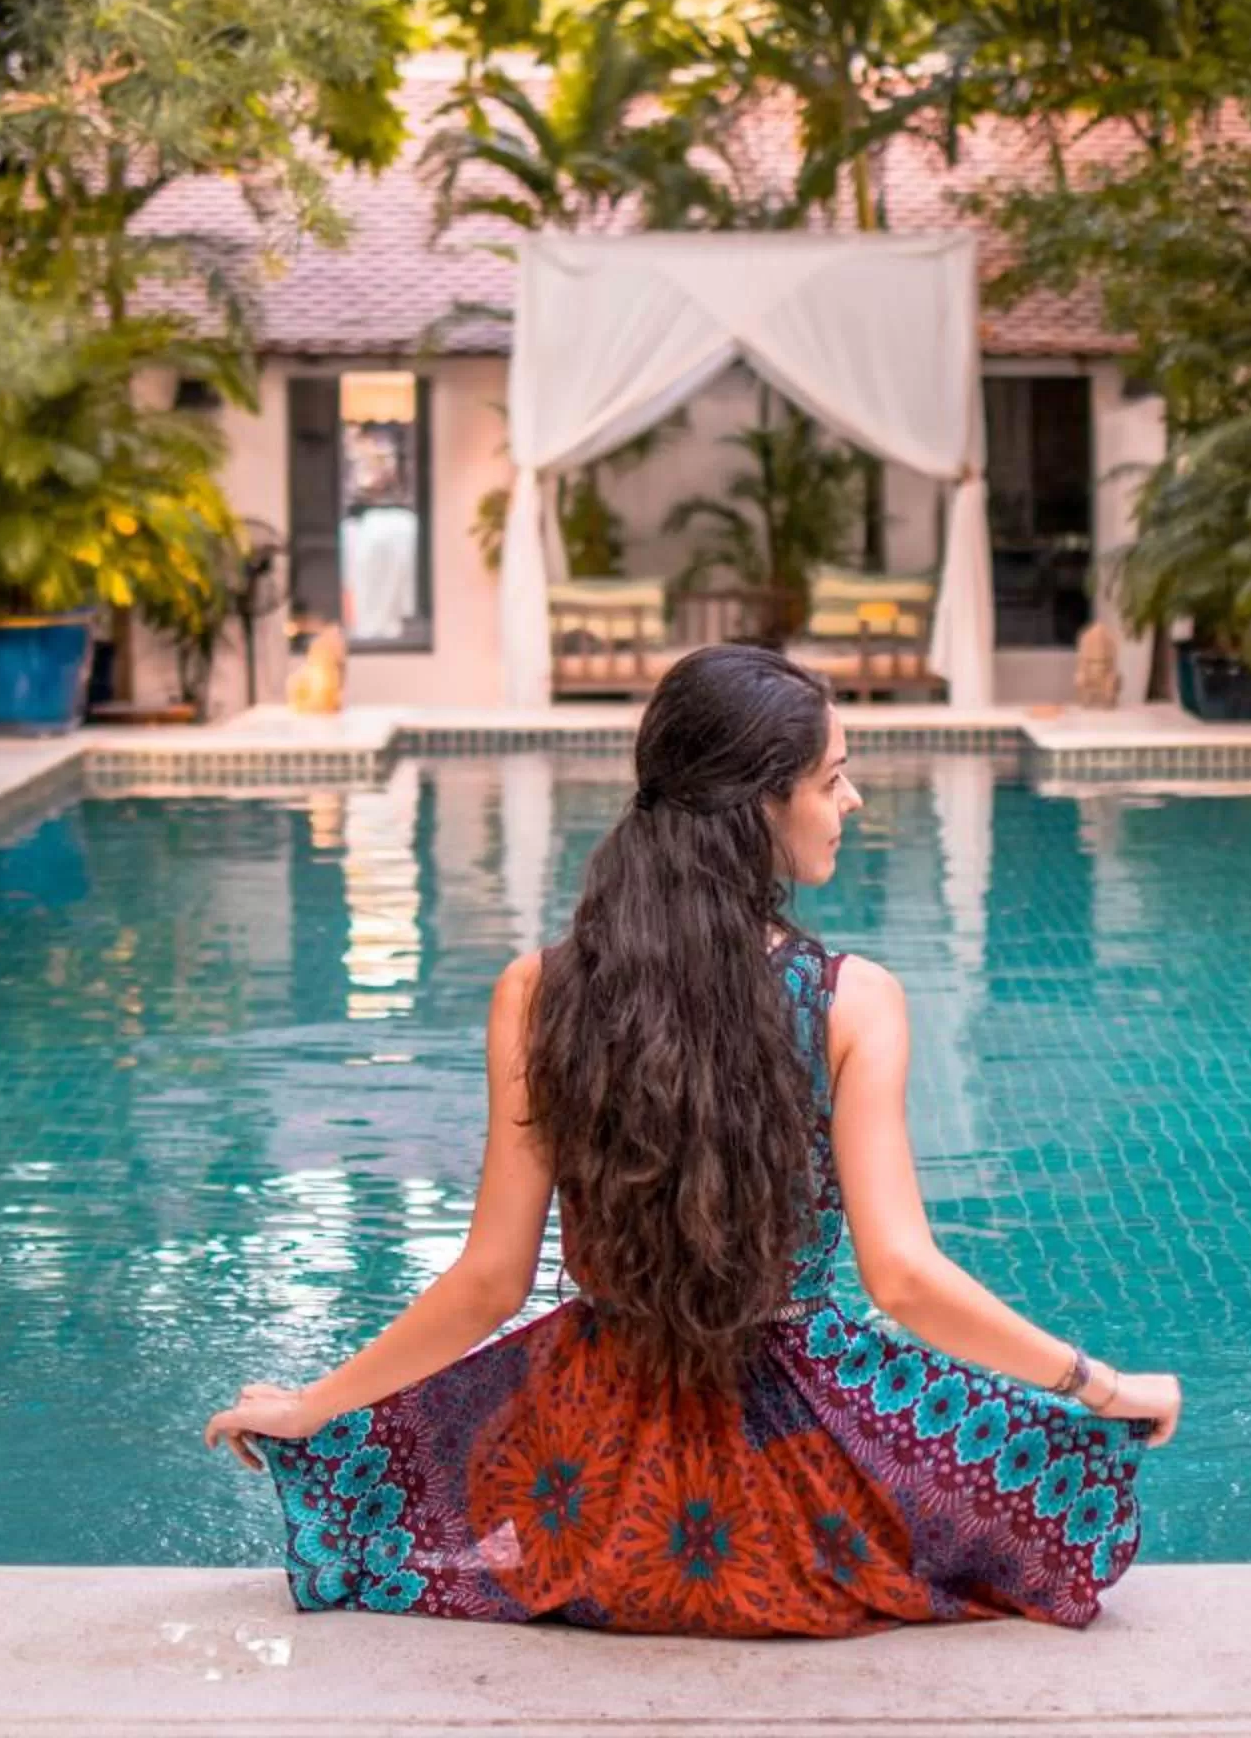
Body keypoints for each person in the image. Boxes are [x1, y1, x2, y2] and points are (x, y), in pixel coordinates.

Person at [204, 645, 1180, 1634]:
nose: (853, 802)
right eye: (833, 778)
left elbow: (490, 1280)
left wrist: (314, 1405)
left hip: (590, 1521)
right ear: (761, 800)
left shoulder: (537, 994)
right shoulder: (851, 1002)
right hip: (798, 1528)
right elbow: (905, 1279)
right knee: (1032, 1497)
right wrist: (1099, 1384)